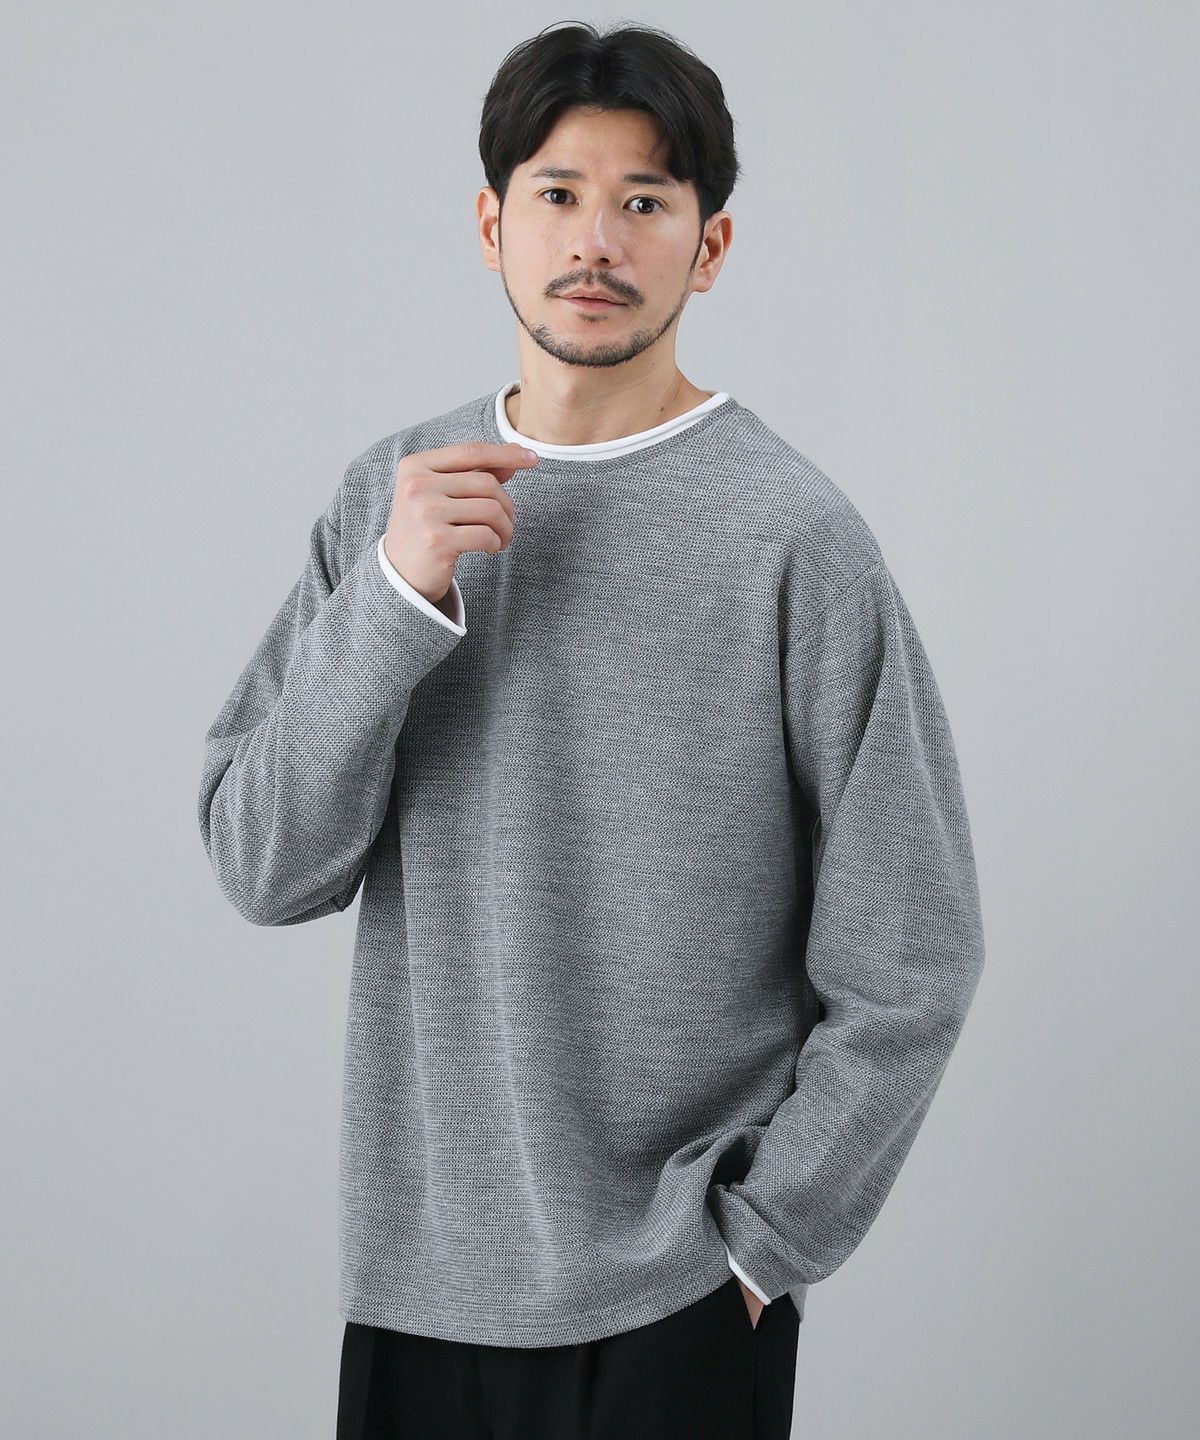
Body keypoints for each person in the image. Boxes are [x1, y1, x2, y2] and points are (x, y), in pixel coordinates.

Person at [197, 20, 986, 1440]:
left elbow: (913, 953)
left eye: (645, 201)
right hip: (417, 1288)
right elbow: (267, 867)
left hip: (675, 1304)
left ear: (710, 245)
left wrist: (762, 1250)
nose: (597, 240)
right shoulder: (390, 499)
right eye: (558, 194)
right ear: (492, 224)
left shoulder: (794, 536)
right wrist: (393, 600)